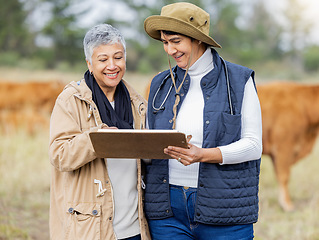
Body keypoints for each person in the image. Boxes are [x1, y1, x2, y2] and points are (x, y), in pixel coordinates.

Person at [143, 2, 262, 240]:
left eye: (176, 41)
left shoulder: (240, 80)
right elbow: (149, 143)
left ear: (197, 39)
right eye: (165, 43)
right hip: (166, 213)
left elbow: (254, 146)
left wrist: (204, 155)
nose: (169, 50)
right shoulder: (160, 84)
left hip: (225, 211)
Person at [49, 24, 150, 240]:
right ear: (89, 63)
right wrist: (97, 139)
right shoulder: (70, 101)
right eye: (103, 60)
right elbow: (59, 155)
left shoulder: (138, 103)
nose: (112, 66)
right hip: (91, 228)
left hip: (135, 227)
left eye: (118, 57)